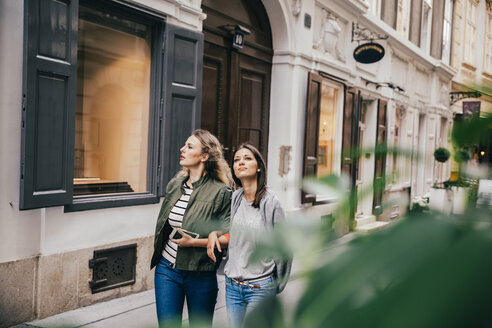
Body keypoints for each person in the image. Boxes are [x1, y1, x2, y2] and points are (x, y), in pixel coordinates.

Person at [150, 129, 233, 327]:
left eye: (189, 146)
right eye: (184, 145)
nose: (182, 149)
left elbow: (231, 234)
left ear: (204, 156)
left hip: (200, 273)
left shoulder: (221, 192)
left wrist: (195, 242)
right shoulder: (175, 185)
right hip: (167, 270)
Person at [207, 143, 292, 328]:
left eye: (247, 158)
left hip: (260, 287)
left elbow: (283, 247)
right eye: (237, 160)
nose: (241, 163)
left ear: (258, 166)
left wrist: (276, 284)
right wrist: (214, 233)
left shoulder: (270, 202)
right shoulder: (236, 197)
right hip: (232, 287)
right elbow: (231, 231)